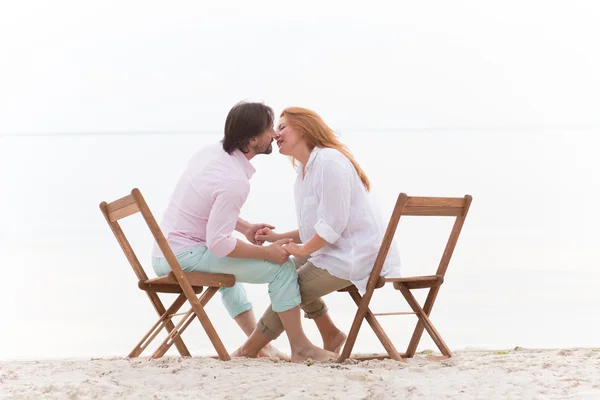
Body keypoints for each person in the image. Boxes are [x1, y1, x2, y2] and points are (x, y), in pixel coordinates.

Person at [151, 101, 335, 362]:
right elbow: (219, 244)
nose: (274, 134)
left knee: (230, 269)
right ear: (251, 140)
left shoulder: (210, 154)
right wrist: (267, 254)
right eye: (269, 129)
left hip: (165, 253)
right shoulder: (234, 180)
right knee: (282, 270)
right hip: (184, 257)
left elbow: (210, 207)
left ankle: (258, 345)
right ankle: (301, 346)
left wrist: (246, 227)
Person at [233, 107, 401, 359]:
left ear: (303, 127)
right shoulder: (306, 170)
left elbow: (332, 225)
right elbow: (316, 228)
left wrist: (301, 250)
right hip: (333, 250)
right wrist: (276, 238)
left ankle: (249, 349)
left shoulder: (329, 162)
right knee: (282, 270)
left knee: (288, 287)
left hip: (354, 257)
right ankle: (330, 332)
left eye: (282, 127)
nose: (276, 134)